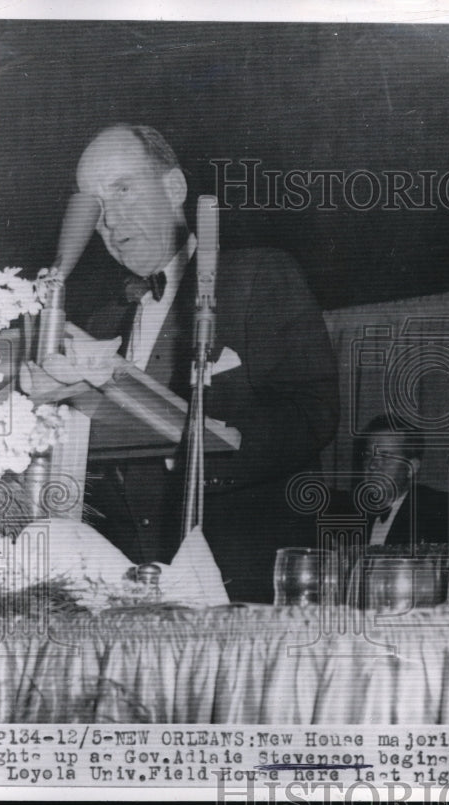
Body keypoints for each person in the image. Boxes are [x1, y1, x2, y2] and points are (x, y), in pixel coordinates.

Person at [75, 123, 339, 603]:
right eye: (94, 206)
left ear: (174, 188)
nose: (109, 220)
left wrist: (203, 451)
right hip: (124, 589)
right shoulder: (98, 320)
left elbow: (313, 411)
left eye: (123, 189)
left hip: (243, 582)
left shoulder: (258, 276)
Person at [354, 415, 449, 547]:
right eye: (368, 456)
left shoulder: (441, 510)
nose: (372, 465)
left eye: (385, 457)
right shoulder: (355, 516)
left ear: (411, 468)